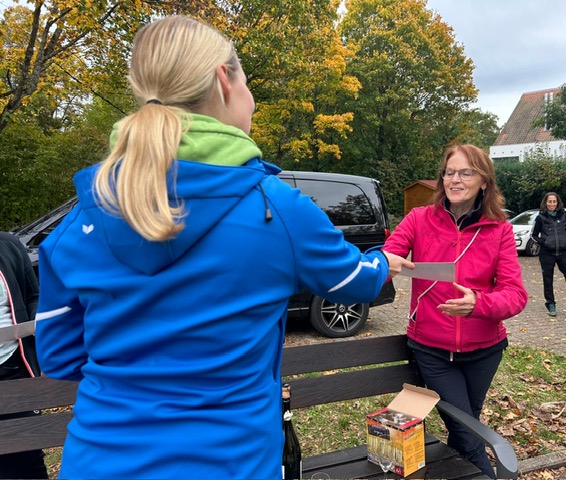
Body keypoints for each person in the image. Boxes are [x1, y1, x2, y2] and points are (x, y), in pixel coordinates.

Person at [34, 15, 412, 480]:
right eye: (247, 83)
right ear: (223, 80)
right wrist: (383, 262)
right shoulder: (276, 208)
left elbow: (60, 355)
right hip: (232, 461)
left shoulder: (80, 220)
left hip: (98, 462)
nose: (250, 99)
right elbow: (354, 281)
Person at [383, 144, 528, 479]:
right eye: (449, 172)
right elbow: (390, 255)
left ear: (484, 181)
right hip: (432, 349)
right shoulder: (419, 218)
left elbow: (516, 294)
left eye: (466, 173)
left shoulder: (500, 229)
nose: (455, 180)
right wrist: (384, 263)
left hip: (485, 351)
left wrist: (479, 304)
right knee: (466, 430)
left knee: (465, 425)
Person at [0, 232, 48, 479]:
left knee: (26, 459)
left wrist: (38, 321)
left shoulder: (7, 244)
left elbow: (33, 295)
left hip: (12, 368)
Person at [530, 192, 566, 317]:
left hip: (564, 252)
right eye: (549, 201)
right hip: (547, 253)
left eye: (554, 201)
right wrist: (544, 242)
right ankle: (551, 304)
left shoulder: (564, 216)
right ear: (545, 203)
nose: (552, 204)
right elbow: (533, 235)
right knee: (548, 279)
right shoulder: (540, 218)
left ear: (557, 202)